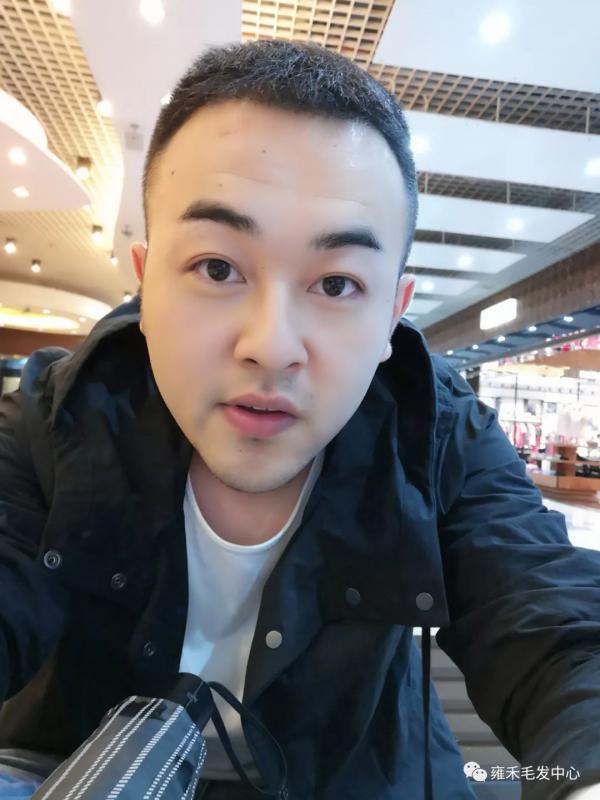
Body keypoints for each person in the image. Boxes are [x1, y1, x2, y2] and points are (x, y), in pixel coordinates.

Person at [0, 38, 599, 800]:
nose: (272, 346)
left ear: (392, 315)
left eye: (337, 284)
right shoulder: (55, 420)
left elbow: (556, 629)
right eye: (218, 268)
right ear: (147, 288)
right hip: (83, 767)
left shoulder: (437, 435)